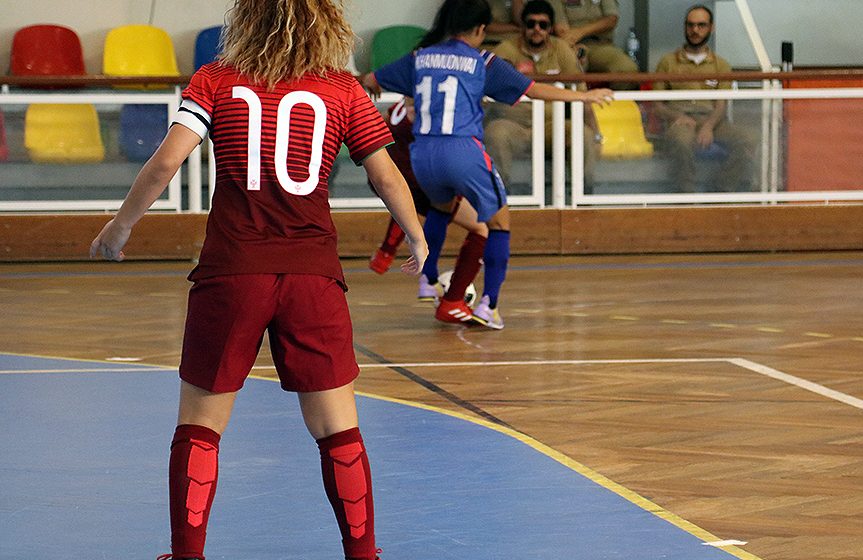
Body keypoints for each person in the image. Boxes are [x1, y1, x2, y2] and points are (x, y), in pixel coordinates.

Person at [90, 1, 428, 559]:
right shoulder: (343, 89)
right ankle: (364, 554)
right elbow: (386, 174)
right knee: (338, 428)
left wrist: (120, 226)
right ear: (326, 23)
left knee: (201, 424)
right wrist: (414, 234)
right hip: (313, 275)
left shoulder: (215, 80)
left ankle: (188, 554)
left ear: (246, 19)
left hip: (232, 271)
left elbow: (165, 163)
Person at [364, 0, 613, 329]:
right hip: (462, 150)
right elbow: (533, 89)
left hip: (423, 153)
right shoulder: (482, 60)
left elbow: (371, 79)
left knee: (440, 209)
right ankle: (489, 306)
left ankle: (428, 280)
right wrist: (583, 96)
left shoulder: (420, 57)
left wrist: (383, 95)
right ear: (481, 29)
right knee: (498, 224)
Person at [367, 98, 487, 309]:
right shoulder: (431, 104)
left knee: (410, 205)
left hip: (396, 178)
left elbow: (382, 123)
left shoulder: (402, 103)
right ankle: (450, 298)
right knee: (482, 227)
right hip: (420, 180)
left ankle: (387, 253)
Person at [484, 0, 601, 184]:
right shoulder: (505, 50)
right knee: (495, 132)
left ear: (550, 28)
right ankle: (498, 195)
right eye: (531, 24)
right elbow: (485, 93)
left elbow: (580, 91)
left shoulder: (561, 49)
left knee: (582, 133)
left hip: (552, 126)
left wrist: (596, 135)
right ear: (523, 27)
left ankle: (583, 193)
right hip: (515, 126)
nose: (536, 29)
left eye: (543, 25)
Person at [651, 4, 753, 193]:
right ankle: (686, 196)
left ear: (711, 28)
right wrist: (676, 117)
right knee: (681, 143)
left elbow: (721, 105)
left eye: (701, 25)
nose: (695, 30)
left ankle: (721, 190)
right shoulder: (667, 62)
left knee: (747, 140)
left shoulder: (721, 65)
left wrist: (708, 127)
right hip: (680, 121)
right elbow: (657, 105)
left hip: (713, 120)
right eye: (690, 25)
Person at [552, 0, 638, 88]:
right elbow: (561, 30)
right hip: (570, 46)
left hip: (600, 45)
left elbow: (611, 19)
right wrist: (573, 46)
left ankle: (612, 97)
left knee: (627, 69)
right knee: (572, 71)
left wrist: (581, 32)